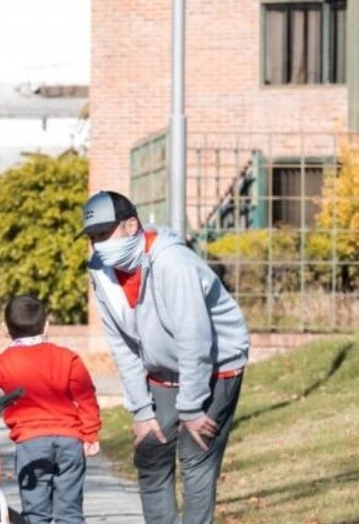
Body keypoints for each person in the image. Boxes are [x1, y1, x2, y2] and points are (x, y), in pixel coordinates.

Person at [79, 191, 249, 524]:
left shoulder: (173, 262)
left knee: (195, 452)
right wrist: (141, 410)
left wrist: (191, 408)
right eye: (93, 238)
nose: (99, 246)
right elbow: (123, 345)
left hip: (215, 366)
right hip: (162, 369)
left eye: (104, 234)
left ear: (131, 225)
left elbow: (194, 339)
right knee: (150, 451)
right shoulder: (101, 272)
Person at [0, 295, 101, 524]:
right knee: (70, 513)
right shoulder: (68, 358)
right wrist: (90, 433)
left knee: (36, 514)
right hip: (70, 442)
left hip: (32, 445)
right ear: (47, 326)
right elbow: (86, 397)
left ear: (5, 329)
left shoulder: (1, 363)